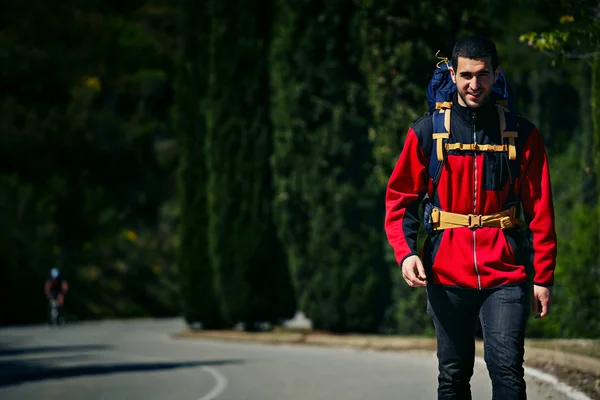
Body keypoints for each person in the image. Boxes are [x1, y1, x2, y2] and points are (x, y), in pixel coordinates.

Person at [384, 36, 557, 399]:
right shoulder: (428, 132)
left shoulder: (522, 135)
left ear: (496, 75)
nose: (474, 85)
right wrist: (407, 253)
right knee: (452, 376)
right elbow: (401, 200)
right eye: (465, 75)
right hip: (446, 275)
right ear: (453, 73)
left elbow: (540, 210)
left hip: (506, 275)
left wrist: (543, 276)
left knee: (508, 373)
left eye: (482, 75)